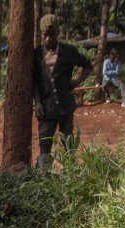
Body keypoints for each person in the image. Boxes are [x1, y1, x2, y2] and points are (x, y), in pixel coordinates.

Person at [32, 14, 92, 168]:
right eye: (44, 35)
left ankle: (69, 176)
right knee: (45, 145)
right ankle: (43, 181)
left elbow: (87, 65)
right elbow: (34, 81)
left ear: (58, 33)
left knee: (68, 144)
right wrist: (37, 102)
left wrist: (76, 82)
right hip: (46, 108)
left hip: (65, 106)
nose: (47, 39)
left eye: (51, 35)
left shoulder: (68, 51)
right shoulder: (37, 54)